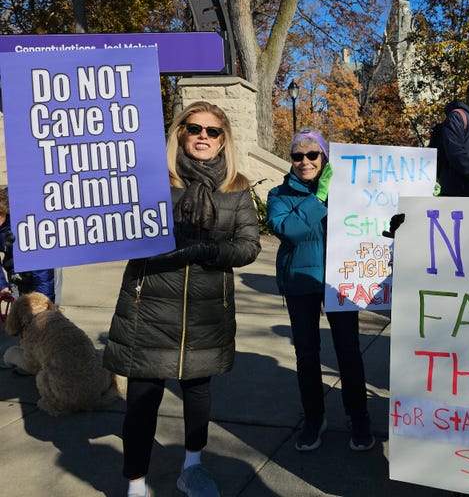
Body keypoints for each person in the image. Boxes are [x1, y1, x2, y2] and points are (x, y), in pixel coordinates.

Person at [103, 101, 261, 497]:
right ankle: (136, 483)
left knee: (198, 396)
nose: (203, 137)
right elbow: (121, 231)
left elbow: (247, 247)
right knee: (142, 400)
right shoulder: (152, 180)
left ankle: (192, 467)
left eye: (213, 131)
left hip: (207, 312)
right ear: (180, 133)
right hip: (149, 306)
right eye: (194, 129)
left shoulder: (237, 187)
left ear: (224, 139)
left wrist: (206, 251)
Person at [266, 128, 374, 453]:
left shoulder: (348, 190)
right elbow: (289, 230)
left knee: (348, 352)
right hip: (300, 282)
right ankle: (314, 418)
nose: (304, 161)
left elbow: (379, 214)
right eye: (297, 155)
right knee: (307, 354)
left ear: (324, 158)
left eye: (312, 154)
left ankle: (359, 418)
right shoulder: (278, 194)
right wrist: (319, 198)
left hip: (341, 280)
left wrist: (420, 192)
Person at [0, 188, 56, 302]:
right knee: (17, 306)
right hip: (15, 272)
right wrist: (2, 286)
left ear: (5, 210)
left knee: (45, 310)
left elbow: (43, 271)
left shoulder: (25, 222)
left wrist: (45, 302)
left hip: (41, 262)